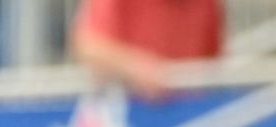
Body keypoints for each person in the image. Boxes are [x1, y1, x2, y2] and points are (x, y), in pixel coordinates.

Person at [72, 0, 222, 101]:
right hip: (127, 118)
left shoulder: (207, 4)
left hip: (189, 118)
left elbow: (213, 64)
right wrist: (136, 68)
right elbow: (88, 45)